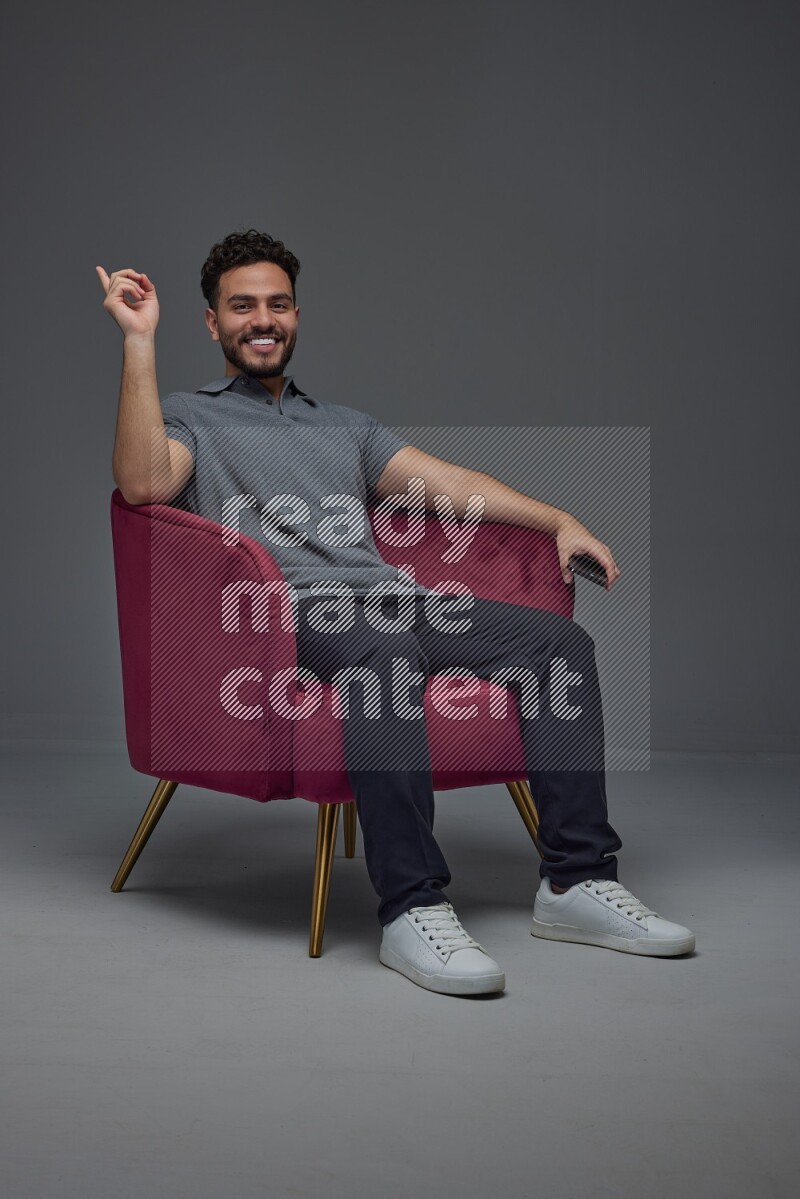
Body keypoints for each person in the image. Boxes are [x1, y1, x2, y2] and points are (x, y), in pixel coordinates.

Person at [97, 229, 695, 997]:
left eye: (276, 304)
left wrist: (557, 519)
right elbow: (145, 484)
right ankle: (412, 906)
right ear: (212, 323)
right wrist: (138, 343)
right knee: (384, 653)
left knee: (559, 645)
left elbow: (446, 482)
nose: (262, 319)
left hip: (396, 602)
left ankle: (575, 883)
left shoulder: (343, 423)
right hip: (287, 615)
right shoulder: (189, 417)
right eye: (241, 306)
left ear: (296, 315)